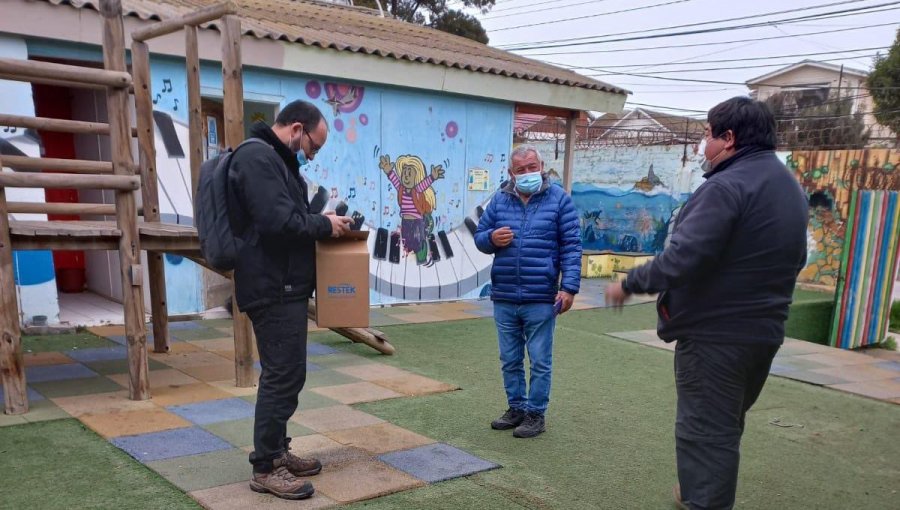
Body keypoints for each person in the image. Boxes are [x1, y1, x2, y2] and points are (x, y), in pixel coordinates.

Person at [605, 97, 808, 509]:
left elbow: (684, 257)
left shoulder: (725, 186)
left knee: (705, 434)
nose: (703, 144)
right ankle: (698, 491)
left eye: (707, 134)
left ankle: (703, 499)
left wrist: (630, 283)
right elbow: (797, 258)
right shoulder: (789, 188)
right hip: (763, 335)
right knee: (725, 427)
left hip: (716, 338)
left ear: (728, 138)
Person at [229, 100, 352, 500]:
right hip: (271, 287)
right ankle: (265, 467)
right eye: (313, 146)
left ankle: (277, 452)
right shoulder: (257, 158)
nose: (311, 155)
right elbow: (278, 222)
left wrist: (326, 222)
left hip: (285, 285)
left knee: (288, 374)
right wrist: (324, 225)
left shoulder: (278, 162)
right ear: (297, 128)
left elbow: (289, 215)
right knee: (282, 377)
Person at [474, 144, 582, 438]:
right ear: (511, 173)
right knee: (509, 358)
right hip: (505, 295)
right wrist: (492, 238)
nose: (527, 173)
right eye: (520, 170)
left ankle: (536, 414)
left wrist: (569, 287)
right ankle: (516, 408)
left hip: (541, 296)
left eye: (532, 167)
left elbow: (572, 246)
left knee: (539, 360)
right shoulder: (499, 200)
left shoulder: (559, 200)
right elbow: (480, 238)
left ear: (541, 166)